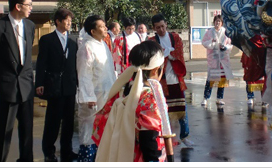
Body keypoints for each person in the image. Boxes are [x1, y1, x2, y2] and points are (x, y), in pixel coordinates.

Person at [0, 0, 35, 162]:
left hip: (26, 87)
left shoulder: (30, 26)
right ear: (18, 6)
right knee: (3, 131)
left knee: (27, 131)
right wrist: (1, 76)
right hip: (7, 87)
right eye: (29, 5)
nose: (31, 8)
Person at [93, 40, 168, 162]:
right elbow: (149, 137)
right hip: (140, 156)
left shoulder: (125, 89)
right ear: (156, 70)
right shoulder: (150, 97)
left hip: (121, 152)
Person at [35, 8, 78, 162]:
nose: (69, 23)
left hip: (70, 86)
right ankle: (49, 151)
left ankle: (67, 150)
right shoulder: (47, 40)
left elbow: (75, 66)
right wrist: (39, 83)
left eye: (70, 21)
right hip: (54, 85)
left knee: (68, 121)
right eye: (66, 20)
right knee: (53, 120)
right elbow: (41, 63)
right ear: (58, 21)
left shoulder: (73, 43)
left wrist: (77, 85)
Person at [149, 13, 194, 147]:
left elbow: (178, 52)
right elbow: (153, 57)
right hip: (161, 82)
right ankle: (166, 137)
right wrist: (165, 52)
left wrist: (167, 53)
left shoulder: (175, 37)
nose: (161, 30)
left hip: (175, 79)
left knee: (182, 110)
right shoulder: (152, 41)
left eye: (163, 26)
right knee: (163, 111)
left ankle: (184, 136)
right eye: (158, 28)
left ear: (166, 24)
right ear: (154, 28)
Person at [76, 15, 116, 161]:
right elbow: (84, 74)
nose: (106, 28)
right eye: (101, 26)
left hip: (107, 95)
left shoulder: (104, 45)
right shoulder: (86, 47)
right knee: (90, 132)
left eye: (105, 25)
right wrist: (88, 97)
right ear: (93, 31)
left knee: (105, 130)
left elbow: (110, 70)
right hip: (94, 99)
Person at [201, 15, 233, 106]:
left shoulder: (226, 32)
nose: (217, 23)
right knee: (210, 80)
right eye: (216, 21)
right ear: (214, 22)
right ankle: (205, 98)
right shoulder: (209, 32)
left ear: (222, 23)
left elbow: (230, 44)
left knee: (222, 80)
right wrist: (213, 44)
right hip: (214, 59)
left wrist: (225, 47)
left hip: (223, 59)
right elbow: (204, 42)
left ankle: (220, 98)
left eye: (219, 21)